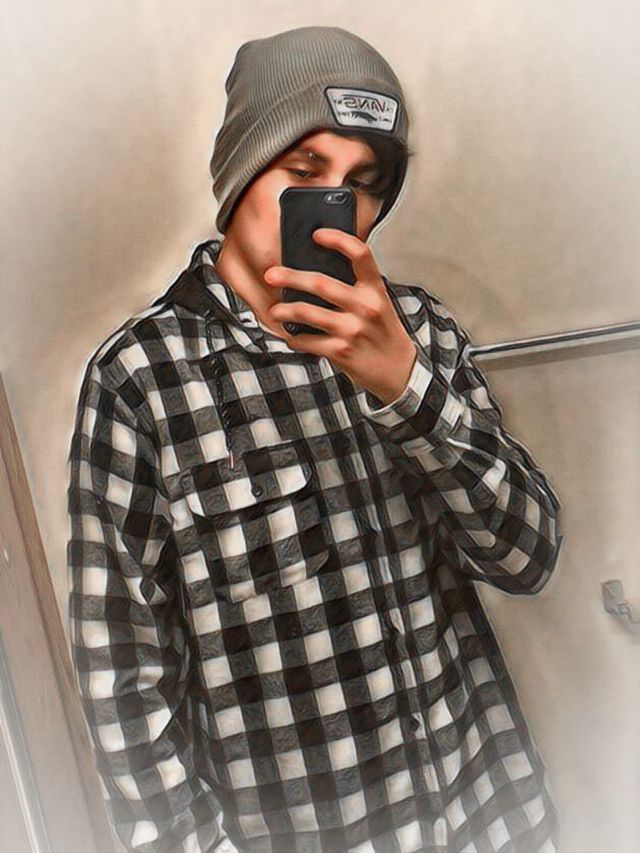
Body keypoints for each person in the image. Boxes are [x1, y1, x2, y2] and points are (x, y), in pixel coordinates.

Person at [67, 25, 564, 853]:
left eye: (361, 184)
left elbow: (527, 555)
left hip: (494, 817)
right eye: (304, 172)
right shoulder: (140, 381)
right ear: (240, 171)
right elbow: (124, 681)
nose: (336, 206)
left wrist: (404, 384)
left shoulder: (420, 333)